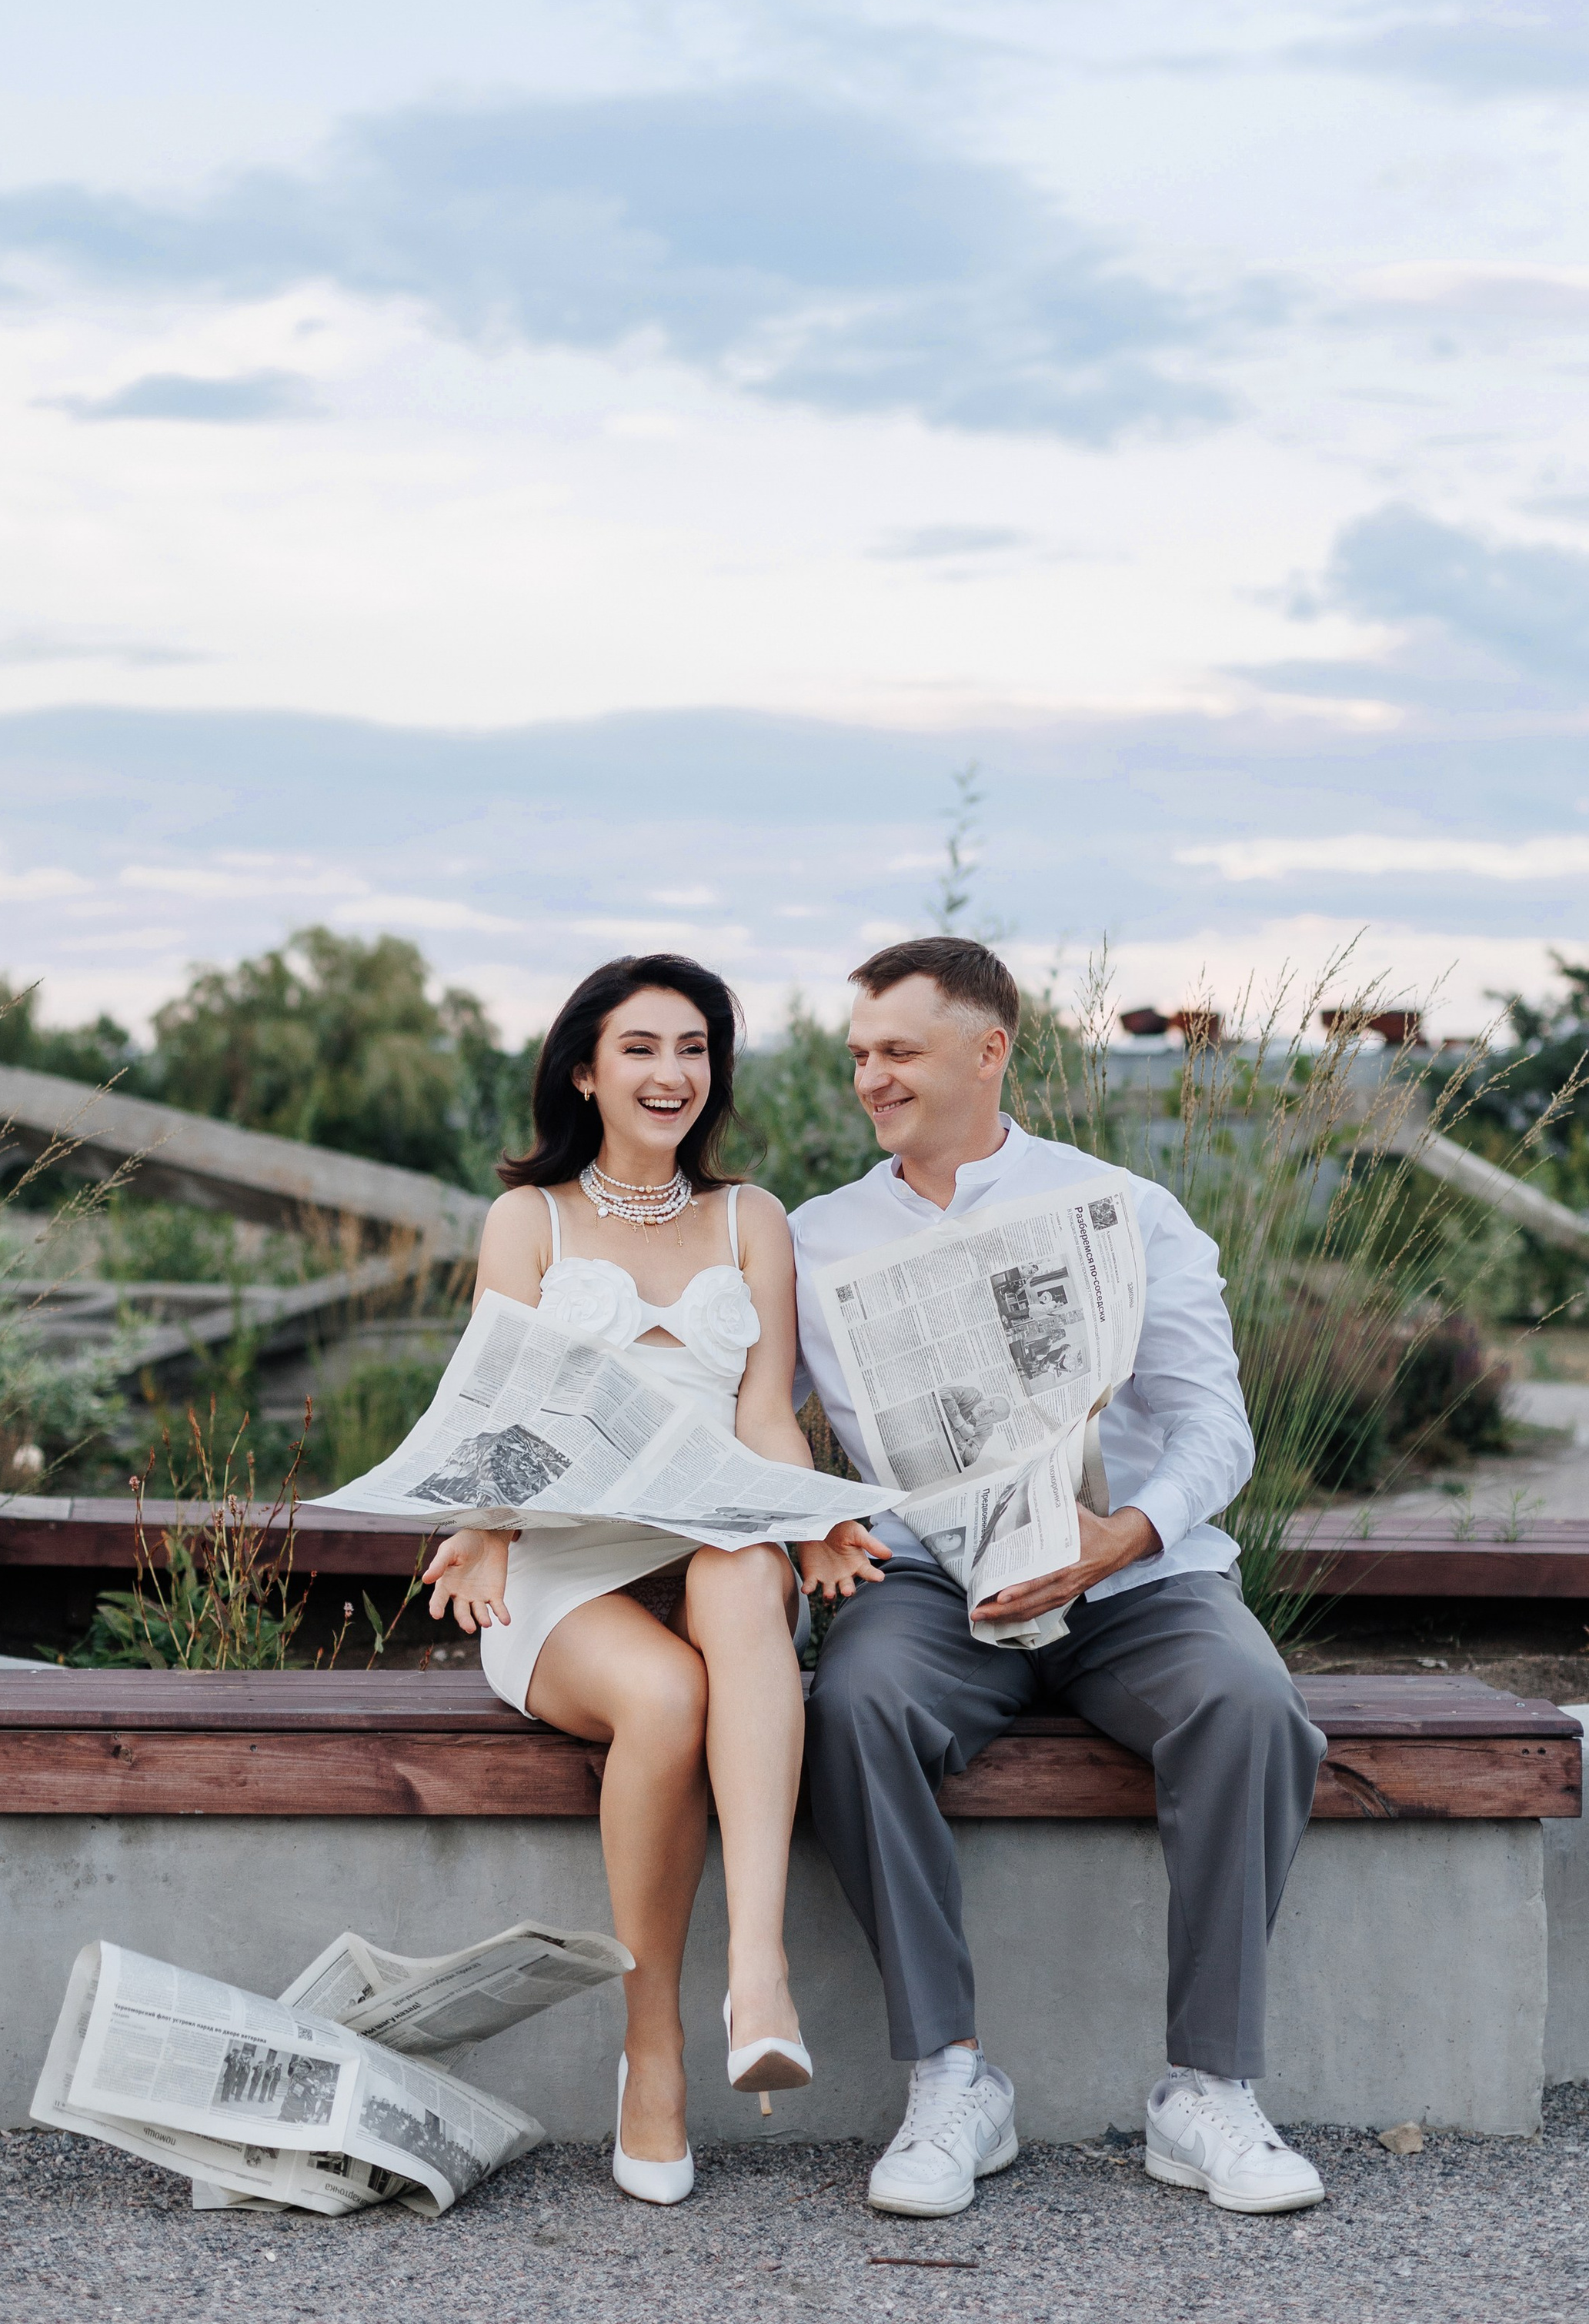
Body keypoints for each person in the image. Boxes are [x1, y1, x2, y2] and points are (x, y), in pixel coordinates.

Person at [792, 937, 1329, 2222]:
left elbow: (1215, 1429)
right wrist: (812, 1524)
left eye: (900, 1050)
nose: (872, 1077)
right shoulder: (815, 1238)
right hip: (932, 1585)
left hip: (1133, 1579)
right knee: (853, 1706)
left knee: (1251, 1704)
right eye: (860, 1054)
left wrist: (1125, 1534)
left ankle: (1206, 2090)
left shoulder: (1127, 1209)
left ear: (990, 1050)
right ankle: (951, 2080)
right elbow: (754, 1417)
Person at [421, 953, 873, 2208]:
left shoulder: (751, 1220)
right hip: (568, 1564)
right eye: (641, 1047)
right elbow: (496, 1404)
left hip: (715, 1537)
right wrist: (483, 1525)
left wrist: (813, 1523)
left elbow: (766, 1415)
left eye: (694, 1048)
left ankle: (759, 1975)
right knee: (668, 1696)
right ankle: (655, 2043)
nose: (672, 1072)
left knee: (736, 1563)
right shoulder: (531, 1220)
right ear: (585, 1069)